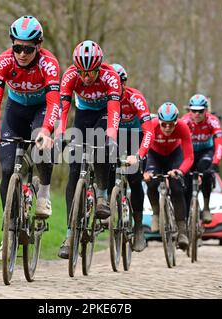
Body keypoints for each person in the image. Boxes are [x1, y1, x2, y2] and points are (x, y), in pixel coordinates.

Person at [0, 16, 61, 259]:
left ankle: (43, 192)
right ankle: (9, 231)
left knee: (42, 147)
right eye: (17, 47)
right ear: (12, 45)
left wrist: (47, 130)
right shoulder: (3, 61)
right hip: (15, 112)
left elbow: (54, 101)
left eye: (27, 48)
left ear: (38, 46)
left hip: (41, 111)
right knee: (6, 170)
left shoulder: (49, 64)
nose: (22, 53)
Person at [56, 40, 121, 259]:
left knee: (101, 143)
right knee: (74, 173)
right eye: (82, 72)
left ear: (99, 67)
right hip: (82, 116)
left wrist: (112, 135)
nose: (85, 78)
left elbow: (114, 110)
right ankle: (69, 235)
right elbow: (63, 108)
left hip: (104, 113)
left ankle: (101, 195)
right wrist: (59, 134)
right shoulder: (70, 76)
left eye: (90, 73)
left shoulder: (110, 76)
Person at [106, 63, 154, 252]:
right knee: (107, 167)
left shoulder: (135, 98)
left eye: (120, 83)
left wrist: (139, 155)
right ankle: (109, 208)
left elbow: (149, 130)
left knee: (134, 178)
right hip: (114, 137)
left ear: (124, 83)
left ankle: (139, 227)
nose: (116, 87)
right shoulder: (104, 98)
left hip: (135, 136)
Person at [143, 102, 194, 251]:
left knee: (177, 188)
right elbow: (142, 149)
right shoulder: (151, 126)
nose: (167, 128)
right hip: (154, 156)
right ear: (159, 121)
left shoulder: (183, 128)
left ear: (176, 121)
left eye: (171, 125)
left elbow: (189, 157)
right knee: (151, 183)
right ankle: (156, 213)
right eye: (164, 124)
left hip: (174, 155)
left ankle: (182, 231)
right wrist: (144, 171)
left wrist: (180, 171)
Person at [182, 94, 222, 224]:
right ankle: (184, 214)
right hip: (189, 153)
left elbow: (220, 144)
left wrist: (215, 163)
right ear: (189, 110)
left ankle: (206, 207)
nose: (197, 114)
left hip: (206, 152)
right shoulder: (185, 121)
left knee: (206, 171)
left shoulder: (213, 121)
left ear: (206, 110)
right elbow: (178, 144)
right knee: (185, 182)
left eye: (200, 111)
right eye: (193, 110)